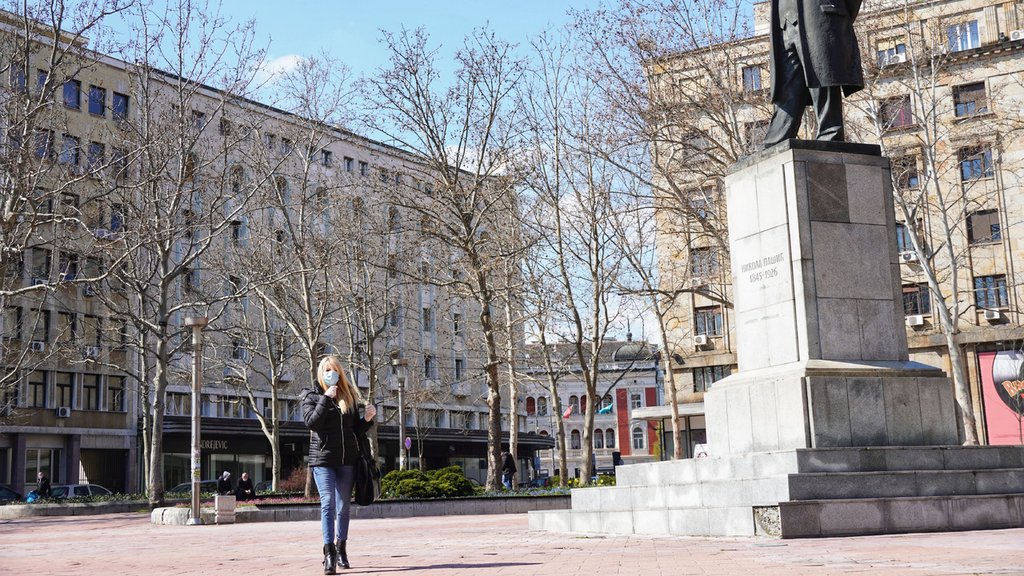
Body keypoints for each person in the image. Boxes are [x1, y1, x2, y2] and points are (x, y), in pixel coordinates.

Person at [301, 355, 376, 574]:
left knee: (343, 507)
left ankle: (341, 547)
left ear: (340, 373)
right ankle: (329, 553)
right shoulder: (311, 395)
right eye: (326, 370)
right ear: (320, 374)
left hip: (347, 461)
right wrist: (325, 398)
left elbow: (355, 431)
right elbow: (312, 423)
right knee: (328, 504)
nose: (331, 373)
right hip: (323, 460)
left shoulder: (349, 395)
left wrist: (367, 419)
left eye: (334, 370)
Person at [762, 0, 864, 148]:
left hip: (818, 15)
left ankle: (830, 134)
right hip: (784, 23)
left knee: (822, 74)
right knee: (787, 85)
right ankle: (776, 139)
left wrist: (839, 14)